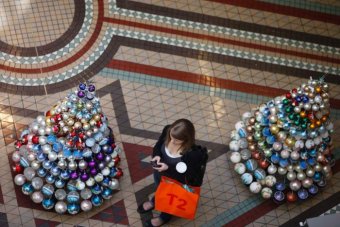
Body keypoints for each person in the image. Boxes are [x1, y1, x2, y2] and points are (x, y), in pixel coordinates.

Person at [137, 119, 208, 227]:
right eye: (171, 137)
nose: (172, 141)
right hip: (160, 174)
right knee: (159, 188)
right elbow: (158, 145)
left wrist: (168, 168)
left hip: (175, 182)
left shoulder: (193, 154)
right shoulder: (168, 130)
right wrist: (157, 156)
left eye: (177, 140)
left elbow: (187, 175)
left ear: (187, 139)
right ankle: (155, 201)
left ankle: (163, 218)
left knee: (170, 201)